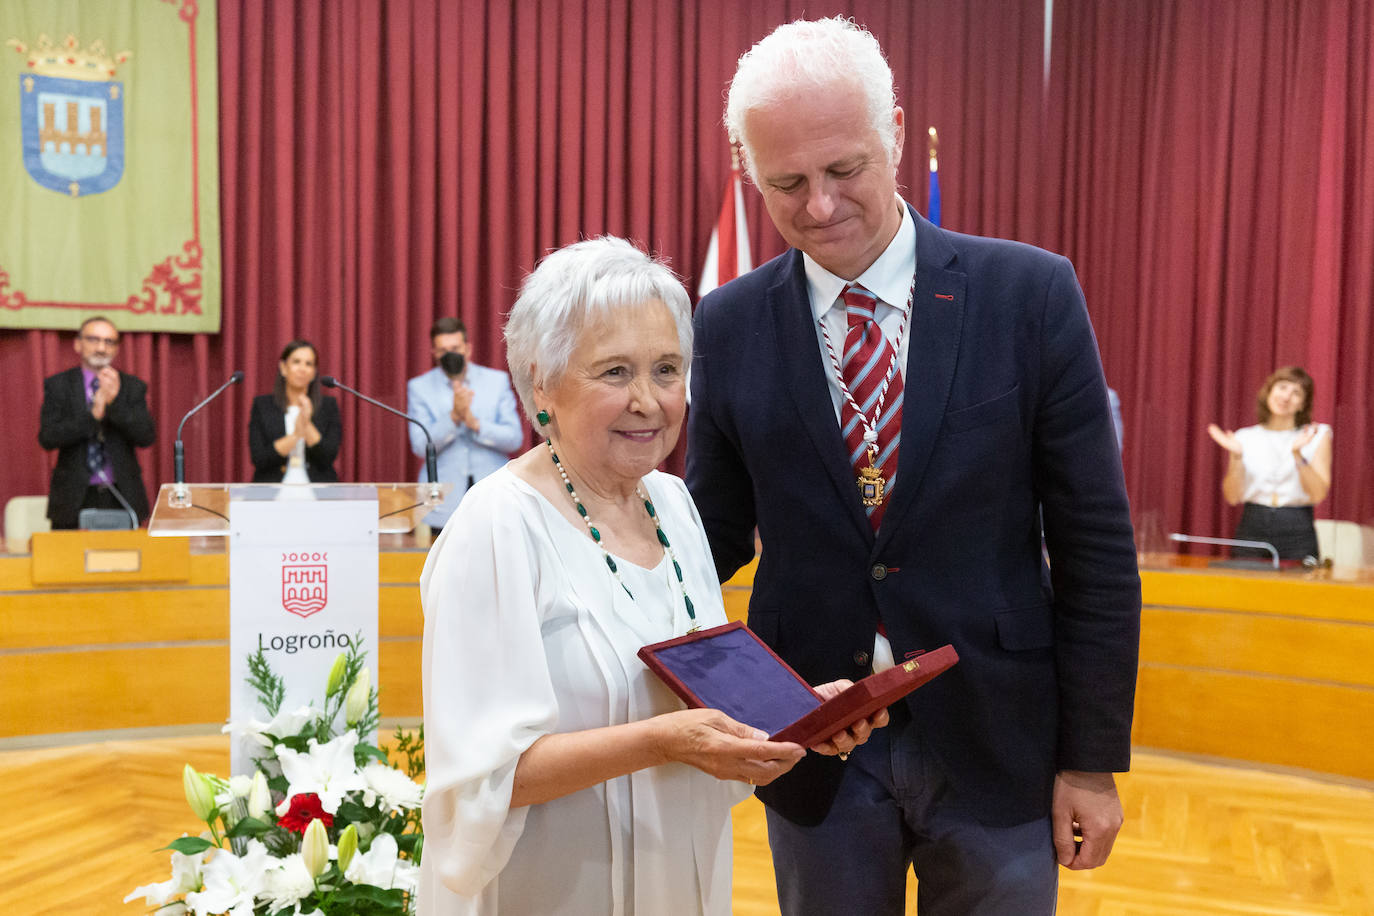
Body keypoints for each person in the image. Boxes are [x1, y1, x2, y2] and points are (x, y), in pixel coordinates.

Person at [686, 18, 1141, 915]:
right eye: (786, 183)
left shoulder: (1029, 295)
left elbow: (1093, 545)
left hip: (999, 742)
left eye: (844, 169)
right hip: (816, 750)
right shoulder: (727, 324)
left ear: (894, 130)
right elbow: (710, 540)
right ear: (748, 170)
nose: (818, 206)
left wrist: (1091, 760)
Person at [418, 237, 883, 915]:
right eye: (613, 372)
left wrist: (799, 713)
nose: (649, 400)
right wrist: (661, 742)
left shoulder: (672, 502)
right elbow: (483, 778)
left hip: (680, 874)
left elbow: (702, 685)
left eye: (667, 369)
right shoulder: (497, 525)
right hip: (549, 890)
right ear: (541, 384)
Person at [38, 315, 156, 529]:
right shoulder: (59, 385)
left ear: (117, 348)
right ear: (78, 344)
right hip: (72, 497)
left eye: (109, 342)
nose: (101, 348)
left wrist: (114, 403)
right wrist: (94, 415)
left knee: (126, 561)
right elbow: (48, 437)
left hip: (121, 494)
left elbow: (145, 436)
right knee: (68, 561)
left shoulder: (132, 386)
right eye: (93, 339)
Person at [406, 316, 523, 531]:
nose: (450, 354)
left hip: (493, 499)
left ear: (467, 348)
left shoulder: (496, 381)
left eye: (455, 347)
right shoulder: (420, 387)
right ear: (434, 354)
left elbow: (514, 438)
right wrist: (453, 417)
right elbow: (419, 445)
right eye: (442, 350)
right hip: (441, 505)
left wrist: (474, 422)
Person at [1206, 365, 1332, 561]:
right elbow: (1232, 497)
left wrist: (1297, 454)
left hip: (1297, 527)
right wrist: (1237, 456)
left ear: (1302, 404)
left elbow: (1318, 493)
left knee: (1299, 590)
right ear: (1269, 392)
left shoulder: (1316, 435)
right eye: (1282, 387)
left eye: (1296, 392)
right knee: (1245, 588)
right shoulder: (1245, 437)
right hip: (1252, 523)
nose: (1286, 397)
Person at [247, 340, 341, 483]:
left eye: (309, 364)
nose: (302, 369)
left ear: (314, 372)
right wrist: (296, 435)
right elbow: (260, 459)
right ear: (283, 367)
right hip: (271, 491)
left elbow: (327, 458)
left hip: (318, 492)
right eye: (296, 362)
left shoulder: (328, 406)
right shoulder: (263, 405)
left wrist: (306, 423)